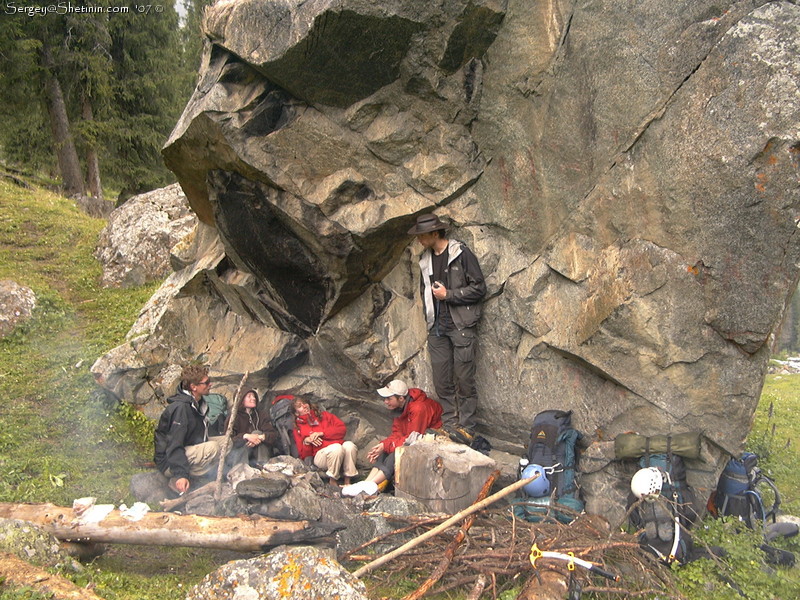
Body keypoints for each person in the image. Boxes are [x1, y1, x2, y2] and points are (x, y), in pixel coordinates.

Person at [407, 213, 486, 434]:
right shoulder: (425, 260)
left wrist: (449, 294)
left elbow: (479, 288)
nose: (419, 240)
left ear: (435, 233)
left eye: (422, 235)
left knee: (464, 380)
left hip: (461, 327)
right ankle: (450, 425)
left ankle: (467, 428)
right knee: (441, 381)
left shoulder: (460, 254)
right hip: (437, 328)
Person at [341, 379, 442, 497]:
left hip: (431, 440)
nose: (385, 402)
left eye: (389, 398)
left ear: (401, 398)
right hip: (413, 438)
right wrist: (383, 445)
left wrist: (387, 445)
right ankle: (366, 483)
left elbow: (413, 437)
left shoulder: (418, 408)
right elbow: (396, 434)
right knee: (384, 451)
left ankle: (371, 484)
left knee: (396, 453)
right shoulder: (400, 408)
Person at [154, 365, 221, 494]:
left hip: (189, 447)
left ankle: (212, 474)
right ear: (193, 387)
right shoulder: (181, 409)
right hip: (169, 460)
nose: (210, 384)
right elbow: (174, 444)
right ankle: (186, 478)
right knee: (213, 447)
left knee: (226, 442)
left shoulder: (199, 403)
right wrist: (180, 474)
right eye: (206, 383)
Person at [292, 397, 358, 487]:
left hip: (339, 447)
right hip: (320, 455)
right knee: (336, 448)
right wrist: (307, 442)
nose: (304, 406)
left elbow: (342, 429)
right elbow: (304, 455)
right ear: (296, 413)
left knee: (350, 445)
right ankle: (333, 480)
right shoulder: (298, 428)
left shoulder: (325, 415)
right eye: (299, 406)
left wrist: (322, 433)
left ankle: (348, 481)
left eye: (304, 403)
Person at [225, 389, 277, 468]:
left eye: (254, 396)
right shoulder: (233, 418)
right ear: (241, 399)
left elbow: (273, 435)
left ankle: (262, 466)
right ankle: (242, 471)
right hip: (241, 456)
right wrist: (246, 436)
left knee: (257, 432)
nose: (253, 398)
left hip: (259, 453)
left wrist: (260, 437)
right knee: (241, 442)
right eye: (249, 396)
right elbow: (227, 441)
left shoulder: (261, 415)